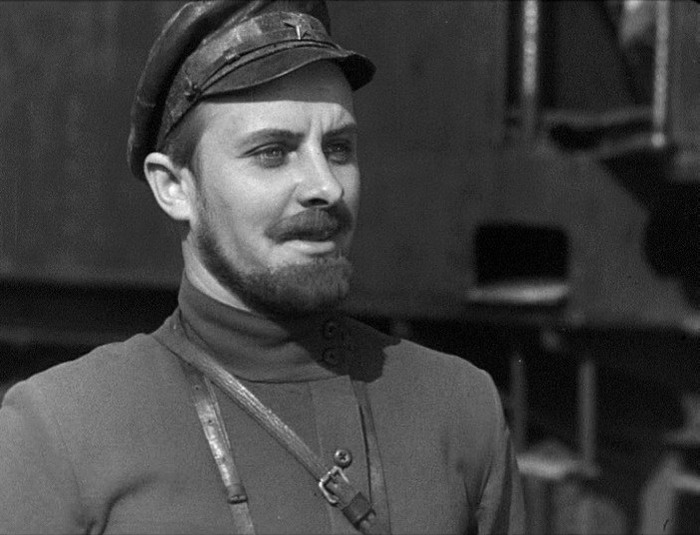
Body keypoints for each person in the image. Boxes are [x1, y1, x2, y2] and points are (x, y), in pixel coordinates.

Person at [0, 1, 524, 533]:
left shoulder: (460, 409)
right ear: (175, 187)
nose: (326, 186)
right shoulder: (59, 432)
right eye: (272, 153)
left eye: (339, 149)